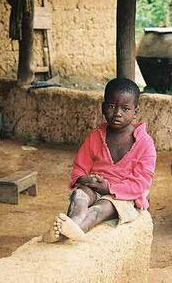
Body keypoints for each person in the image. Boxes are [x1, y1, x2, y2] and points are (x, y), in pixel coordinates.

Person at [43, 78, 156, 242]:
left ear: (135, 112)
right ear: (103, 108)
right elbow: (80, 167)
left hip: (124, 195)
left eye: (125, 109)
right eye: (111, 106)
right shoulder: (96, 137)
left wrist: (109, 188)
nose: (117, 113)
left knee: (100, 209)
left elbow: (140, 183)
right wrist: (84, 178)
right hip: (96, 186)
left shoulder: (145, 144)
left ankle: (75, 230)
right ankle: (70, 225)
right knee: (79, 197)